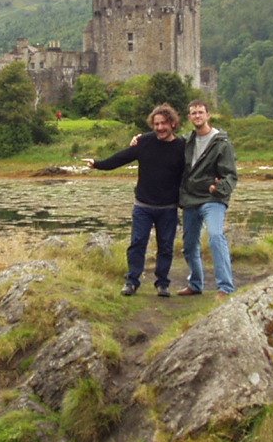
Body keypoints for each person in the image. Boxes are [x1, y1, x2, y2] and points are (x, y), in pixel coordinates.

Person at [84, 104, 186, 297]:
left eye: (163, 123)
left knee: (165, 246)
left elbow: (194, 170)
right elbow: (121, 157)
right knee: (137, 243)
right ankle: (132, 281)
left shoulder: (182, 146)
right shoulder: (144, 141)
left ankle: (162, 283)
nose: (159, 128)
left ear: (173, 123)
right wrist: (98, 164)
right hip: (143, 206)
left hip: (168, 208)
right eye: (156, 124)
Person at [177, 100, 238, 297]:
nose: (197, 116)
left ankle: (225, 287)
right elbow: (163, 143)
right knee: (189, 245)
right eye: (193, 113)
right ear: (189, 117)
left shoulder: (221, 143)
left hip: (213, 199)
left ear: (208, 115)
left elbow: (230, 175)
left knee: (215, 236)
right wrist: (139, 140)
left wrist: (218, 189)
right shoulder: (186, 142)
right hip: (190, 199)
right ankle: (195, 284)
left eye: (200, 112)